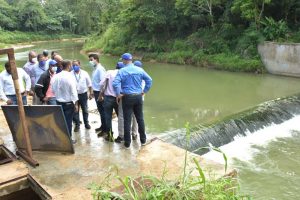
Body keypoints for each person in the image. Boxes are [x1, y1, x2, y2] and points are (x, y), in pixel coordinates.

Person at [113, 53, 152, 149]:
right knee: (140, 119)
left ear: (125, 60)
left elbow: (115, 83)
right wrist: (144, 91)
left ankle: (127, 143)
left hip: (127, 97)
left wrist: (118, 94)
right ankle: (143, 140)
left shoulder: (122, 71)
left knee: (127, 120)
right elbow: (149, 80)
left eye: (123, 60)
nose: (122, 61)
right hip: (138, 97)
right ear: (131, 59)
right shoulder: (140, 70)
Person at [51, 60, 78, 140]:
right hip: (68, 103)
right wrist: (76, 104)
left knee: (61, 121)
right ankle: (68, 139)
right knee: (68, 122)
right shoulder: (70, 76)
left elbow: (53, 90)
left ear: (61, 66)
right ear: (69, 66)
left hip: (58, 102)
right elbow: (73, 91)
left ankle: (61, 138)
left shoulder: (55, 76)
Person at [99, 62, 124, 141]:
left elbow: (102, 84)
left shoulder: (109, 72)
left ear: (115, 66)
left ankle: (110, 135)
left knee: (108, 117)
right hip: (119, 98)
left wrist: (101, 95)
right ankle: (122, 135)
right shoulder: (124, 74)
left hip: (108, 98)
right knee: (121, 117)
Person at [71, 60, 92, 132]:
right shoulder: (70, 74)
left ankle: (86, 123)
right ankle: (77, 125)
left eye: (76, 65)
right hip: (74, 95)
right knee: (75, 110)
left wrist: (91, 93)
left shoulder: (85, 73)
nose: (75, 66)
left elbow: (89, 84)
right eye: (73, 65)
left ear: (79, 65)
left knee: (85, 110)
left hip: (83, 94)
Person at [88, 53, 107, 134]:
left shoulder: (100, 69)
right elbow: (95, 82)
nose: (90, 62)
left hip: (100, 93)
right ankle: (103, 126)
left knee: (103, 111)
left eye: (91, 60)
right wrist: (92, 92)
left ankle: (105, 129)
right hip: (96, 92)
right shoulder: (95, 69)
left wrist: (101, 95)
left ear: (96, 59)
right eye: (89, 60)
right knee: (100, 110)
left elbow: (103, 83)